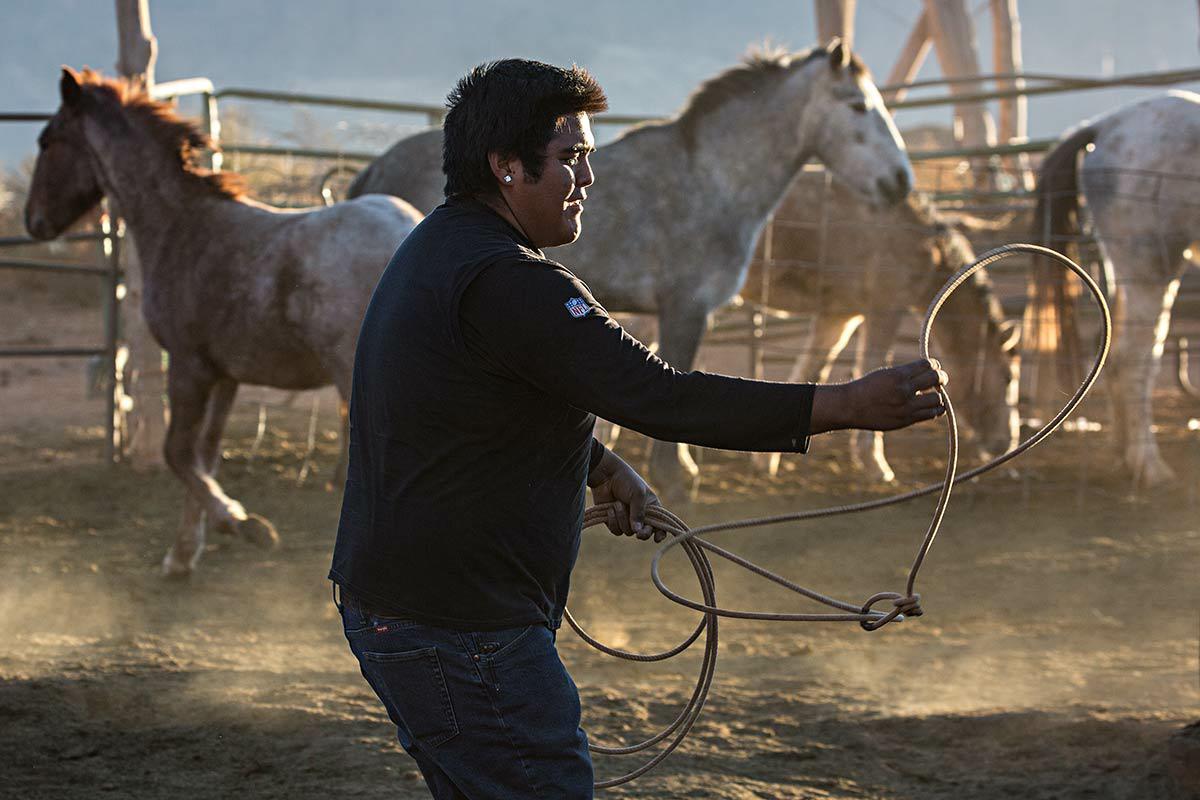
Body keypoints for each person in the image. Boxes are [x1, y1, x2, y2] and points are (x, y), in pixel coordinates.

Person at [329, 58, 947, 800]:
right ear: (506, 168)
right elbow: (658, 395)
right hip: (464, 626)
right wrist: (843, 404)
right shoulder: (513, 282)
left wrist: (595, 463)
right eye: (571, 158)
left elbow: (471, 397)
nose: (589, 178)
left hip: (409, 610)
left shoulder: (440, 249)